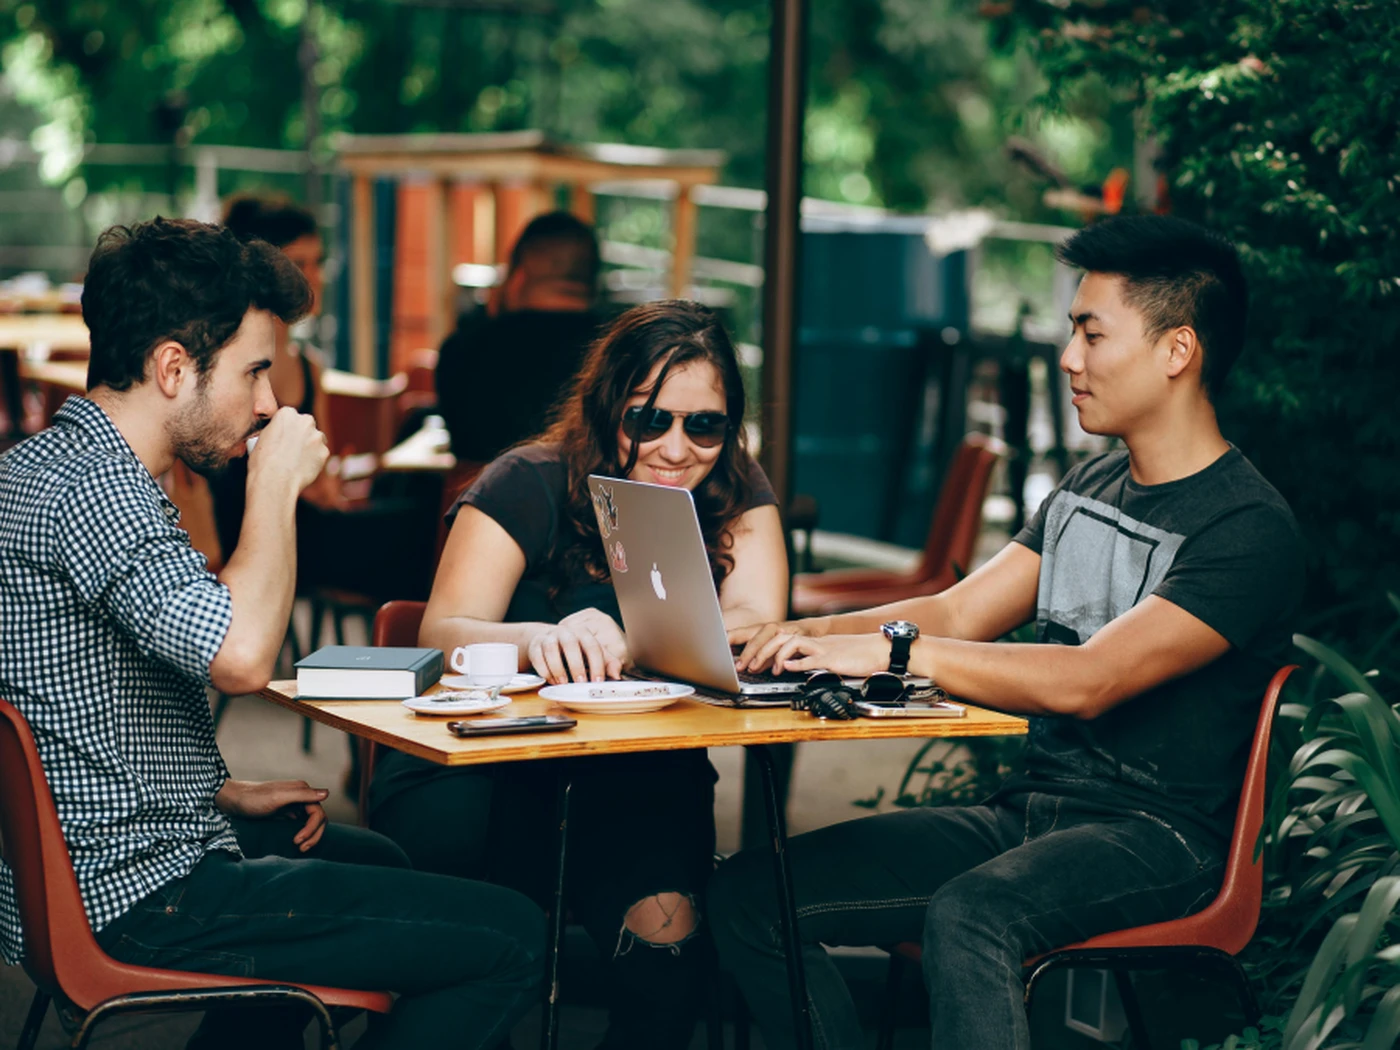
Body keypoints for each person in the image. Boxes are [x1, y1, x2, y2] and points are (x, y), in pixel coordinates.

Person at [710, 215, 1306, 1050]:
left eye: (1092, 334)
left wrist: (882, 650)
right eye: (1072, 332)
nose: (1069, 359)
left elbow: (1090, 679)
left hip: (1160, 840)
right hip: (1029, 815)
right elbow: (958, 612)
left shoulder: (1246, 527)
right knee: (751, 899)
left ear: (1178, 351)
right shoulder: (1092, 480)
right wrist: (787, 635)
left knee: (971, 916)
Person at [0, 217, 544, 1050]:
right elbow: (244, 658)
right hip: (137, 891)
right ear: (173, 368)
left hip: (83, 862)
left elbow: (70, 698)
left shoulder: (44, 465)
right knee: (511, 936)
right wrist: (274, 484)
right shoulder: (98, 491)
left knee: (384, 867)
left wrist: (211, 792)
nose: (269, 401)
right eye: (255, 371)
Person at [371, 300, 789, 1049]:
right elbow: (439, 635)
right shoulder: (527, 480)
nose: (676, 446)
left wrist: (632, 637)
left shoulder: (732, 489)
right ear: (607, 411)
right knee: (483, 955)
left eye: (705, 424)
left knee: (669, 960)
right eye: (648, 420)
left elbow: (756, 624)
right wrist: (544, 636)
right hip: (486, 768)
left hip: (633, 776)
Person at [435, 210, 605, 462]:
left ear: (518, 276)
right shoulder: (618, 351)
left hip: (481, 498)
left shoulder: (461, 350)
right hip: (587, 499)